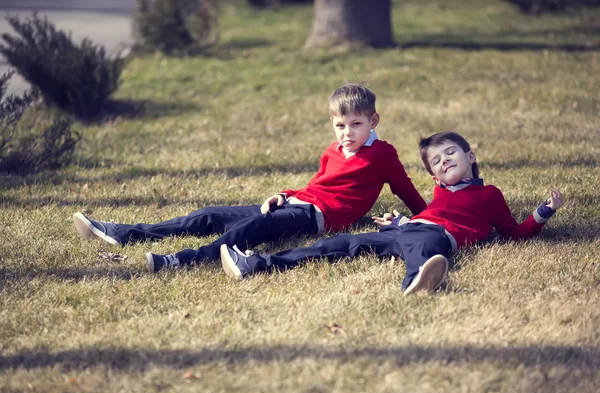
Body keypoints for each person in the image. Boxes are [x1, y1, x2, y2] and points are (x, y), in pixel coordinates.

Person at [72, 83, 427, 272]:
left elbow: (404, 189)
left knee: (250, 229)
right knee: (209, 214)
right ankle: (126, 232)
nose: (347, 133)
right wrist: (283, 194)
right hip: (298, 203)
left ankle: (183, 259)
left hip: (317, 217)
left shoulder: (382, 154)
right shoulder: (332, 152)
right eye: (340, 125)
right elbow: (316, 183)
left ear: (373, 121)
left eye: (356, 125)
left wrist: (426, 217)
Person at [220, 131, 564, 295]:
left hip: (435, 237)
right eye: (437, 162)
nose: (445, 161)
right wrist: (401, 221)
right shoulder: (439, 192)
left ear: (470, 156)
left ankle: (417, 279)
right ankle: (257, 264)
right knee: (338, 245)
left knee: (424, 246)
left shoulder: (489, 195)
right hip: (408, 228)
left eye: (450, 153)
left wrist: (542, 213)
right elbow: (429, 215)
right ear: (435, 177)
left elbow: (512, 233)